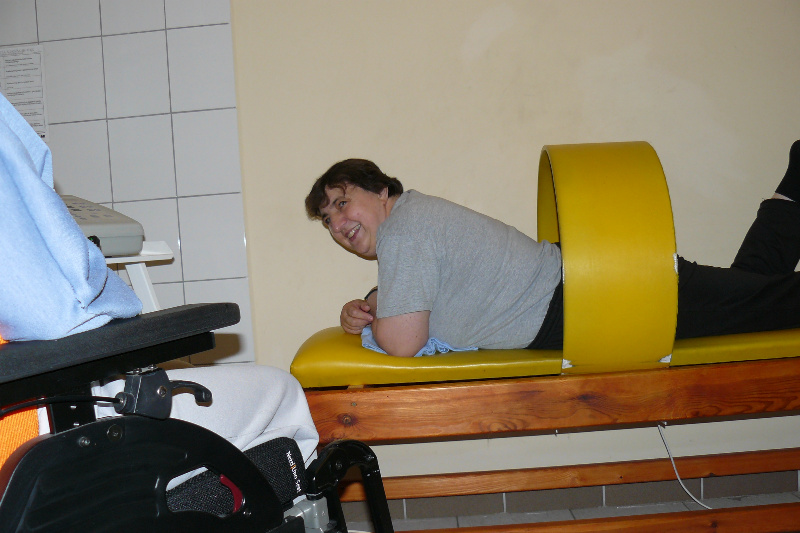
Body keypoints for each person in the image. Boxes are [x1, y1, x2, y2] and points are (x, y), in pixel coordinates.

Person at [0, 90, 319, 472]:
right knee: (283, 393)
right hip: (36, 426)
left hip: (26, 401)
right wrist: (115, 297)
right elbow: (55, 309)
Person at [305, 142, 800, 357]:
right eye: (328, 220)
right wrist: (372, 303)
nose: (338, 224)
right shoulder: (410, 224)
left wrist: (375, 317)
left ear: (381, 191)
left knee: (771, 304)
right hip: (586, 290)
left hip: (597, 296)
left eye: (342, 202)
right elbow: (419, 298)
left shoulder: (404, 231)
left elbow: (402, 342)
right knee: (756, 299)